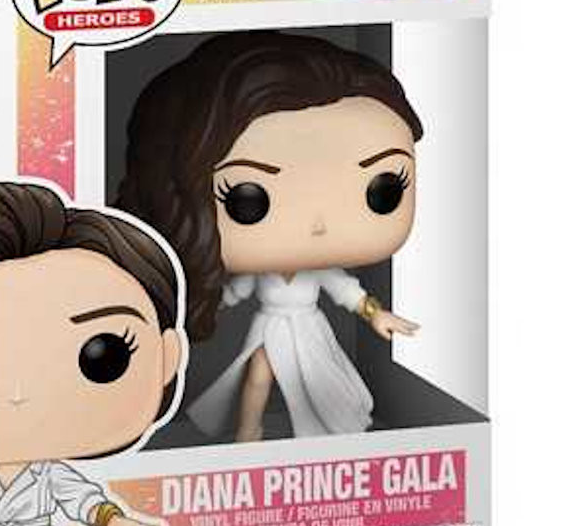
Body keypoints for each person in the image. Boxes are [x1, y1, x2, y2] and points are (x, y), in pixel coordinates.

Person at [117, 30, 422, 442]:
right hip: (269, 326)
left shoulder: (320, 272)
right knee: (257, 374)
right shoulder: (260, 275)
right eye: (248, 199)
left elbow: (349, 294)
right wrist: (186, 315)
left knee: (318, 384)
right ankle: (249, 432)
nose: (317, 225)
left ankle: (323, 439)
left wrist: (377, 315)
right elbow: (231, 294)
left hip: (309, 331)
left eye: (383, 190)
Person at [0, 180, 187, 526]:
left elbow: (82, 498)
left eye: (103, 357)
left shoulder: (46, 472)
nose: (19, 393)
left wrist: (112, 522)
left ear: (167, 358)